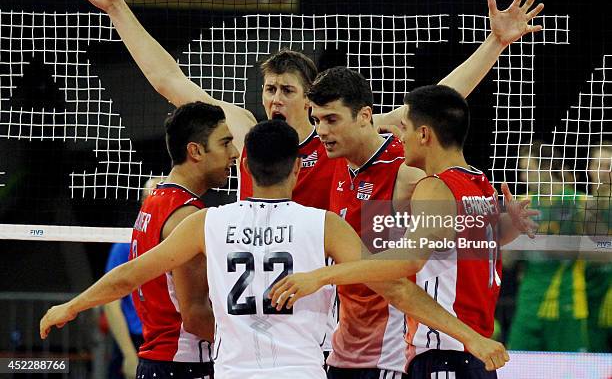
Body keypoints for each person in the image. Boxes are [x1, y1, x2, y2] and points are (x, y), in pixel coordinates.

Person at [60, 0, 543, 212]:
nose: (274, 99)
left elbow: (442, 98)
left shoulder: (344, 134)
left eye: (286, 90)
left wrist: (495, 44)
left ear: (310, 101)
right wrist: (117, 8)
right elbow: (169, 80)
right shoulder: (245, 130)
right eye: (269, 89)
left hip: (330, 285)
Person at [41, 120, 510, 379]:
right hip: (301, 372)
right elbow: (399, 290)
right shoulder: (323, 225)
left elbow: (131, 275)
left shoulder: (208, 221)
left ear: (246, 164)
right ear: (296, 171)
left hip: (233, 374)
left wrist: (72, 305)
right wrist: (473, 337)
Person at [270, 85, 538, 378]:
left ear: (423, 135)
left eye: (404, 128)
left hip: (445, 352)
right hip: (468, 352)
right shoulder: (480, 184)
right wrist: (510, 226)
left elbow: (409, 260)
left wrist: (320, 276)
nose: (400, 137)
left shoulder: (434, 187)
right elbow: (473, 248)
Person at [122, 102, 238, 378]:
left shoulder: (155, 200)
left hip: (158, 359)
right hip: (184, 361)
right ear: (195, 151)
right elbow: (196, 315)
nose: (234, 154)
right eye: (225, 143)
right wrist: (254, 347)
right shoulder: (185, 215)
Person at [507, 141, 590, 352]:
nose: (524, 177)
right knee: (517, 365)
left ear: (546, 168)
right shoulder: (522, 203)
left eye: (529, 170)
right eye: (522, 171)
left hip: (567, 301)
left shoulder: (580, 202)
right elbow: (507, 262)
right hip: (528, 301)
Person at [103, 177, 160, 379]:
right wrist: (128, 354)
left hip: (171, 341)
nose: (153, 200)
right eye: (149, 196)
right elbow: (111, 303)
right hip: (137, 341)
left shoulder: (182, 242)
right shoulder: (125, 245)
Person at [584, 143, 612, 352]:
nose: (603, 171)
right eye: (599, 165)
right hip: (583, 294)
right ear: (589, 168)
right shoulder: (578, 204)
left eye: (608, 165)